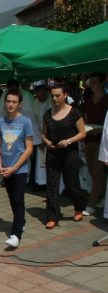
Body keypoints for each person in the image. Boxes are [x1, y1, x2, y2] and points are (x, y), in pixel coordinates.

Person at [42, 84, 86, 229]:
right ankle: (53, 216)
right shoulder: (48, 114)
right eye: (52, 96)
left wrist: (68, 141)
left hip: (70, 152)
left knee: (71, 183)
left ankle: (78, 207)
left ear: (65, 95)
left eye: (57, 95)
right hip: (53, 152)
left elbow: (82, 133)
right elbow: (44, 133)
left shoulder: (74, 113)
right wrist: (46, 141)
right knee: (52, 185)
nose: (54, 98)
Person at [0, 89, 34, 248]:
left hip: (20, 169)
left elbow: (29, 149)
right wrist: (0, 165)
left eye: (14, 102)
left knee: (18, 199)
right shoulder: (0, 122)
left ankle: (16, 235)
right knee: (12, 198)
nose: (10, 104)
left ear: (20, 104)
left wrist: (15, 167)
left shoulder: (26, 122)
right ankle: (21, 220)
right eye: (8, 101)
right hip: (5, 168)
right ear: (5, 102)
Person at [82, 72, 108, 216]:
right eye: (90, 82)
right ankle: (104, 196)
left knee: (97, 172)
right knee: (92, 171)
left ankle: (91, 204)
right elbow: (85, 119)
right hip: (89, 138)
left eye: (94, 82)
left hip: (102, 140)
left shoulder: (106, 100)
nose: (92, 85)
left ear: (102, 83)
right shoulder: (87, 100)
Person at [31, 85, 52, 191]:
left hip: (53, 137)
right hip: (40, 135)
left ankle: (51, 183)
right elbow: (33, 123)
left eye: (43, 95)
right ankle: (41, 183)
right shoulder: (34, 105)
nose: (41, 98)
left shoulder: (52, 102)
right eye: (38, 96)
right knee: (40, 162)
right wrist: (39, 139)